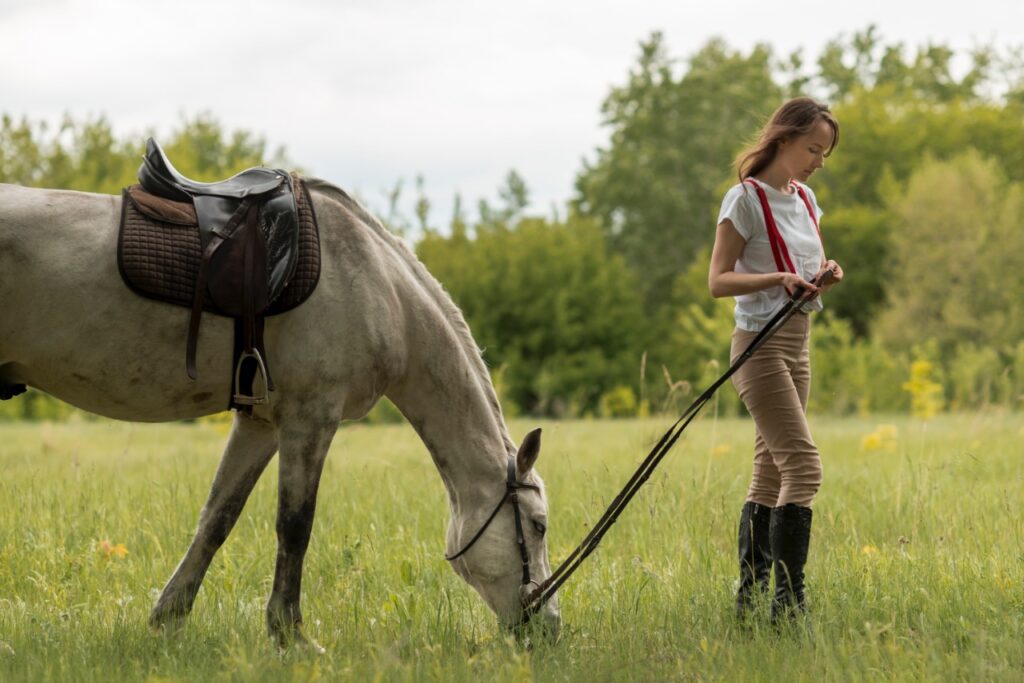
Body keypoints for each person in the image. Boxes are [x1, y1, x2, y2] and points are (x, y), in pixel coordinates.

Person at [707, 97, 843, 622]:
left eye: (825, 153)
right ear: (782, 140)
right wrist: (776, 279)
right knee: (804, 466)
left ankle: (751, 599)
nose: (818, 162)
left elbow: (800, 269)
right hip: (758, 345)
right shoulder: (742, 200)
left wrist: (821, 275)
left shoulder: (805, 199)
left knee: (769, 471)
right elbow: (718, 281)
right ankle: (788, 608)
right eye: (812, 149)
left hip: (798, 341)